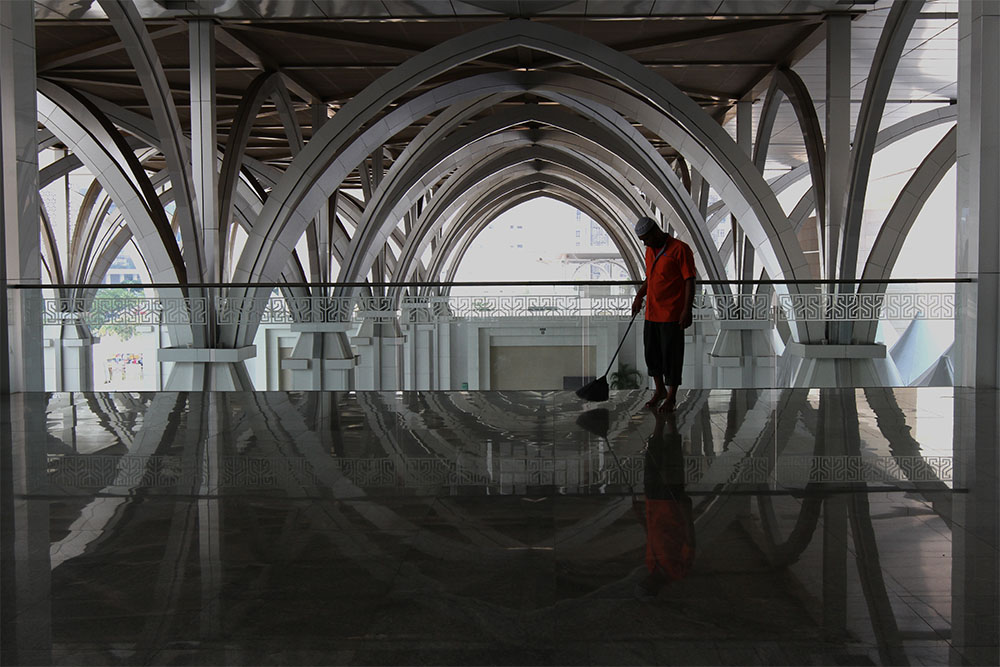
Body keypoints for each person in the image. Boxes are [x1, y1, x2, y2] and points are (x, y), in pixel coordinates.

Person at [630, 216, 696, 412]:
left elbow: (689, 281)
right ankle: (658, 391)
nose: (644, 243)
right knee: (652, 355)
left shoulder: (680, 249)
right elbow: (650, 278)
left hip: (672, 315)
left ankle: (671, 397)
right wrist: (639, 297)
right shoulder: (650, 251)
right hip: (652, 313)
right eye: (642, 240)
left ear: (656, 232)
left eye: (646, 239)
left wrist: (687, 309)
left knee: (672, 357)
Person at [635, 409, 695, 598]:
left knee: (652, 459)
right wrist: (686, 511)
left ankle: (660, 422)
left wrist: (639, 517)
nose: (646, 580)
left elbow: (652, 536)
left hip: (652, 501)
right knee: (672, 462)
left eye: (643, 583)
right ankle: (671, 422)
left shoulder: (651, 565)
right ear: (654, 589)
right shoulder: (678, 571)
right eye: (647, 585)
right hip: (671, 504)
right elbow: (690, 542)